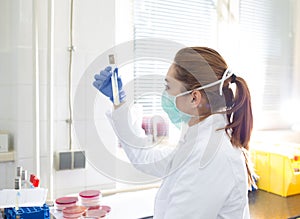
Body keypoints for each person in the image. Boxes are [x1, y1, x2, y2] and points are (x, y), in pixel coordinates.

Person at [93, 47, 256, 219]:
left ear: (194, 98)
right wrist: (119, 101)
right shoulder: (198, 138)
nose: (165, 94)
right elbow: (147, 159)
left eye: (168, 86)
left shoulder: (210, 155)